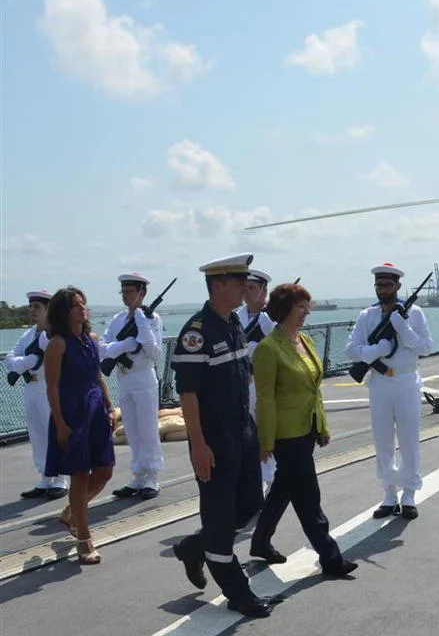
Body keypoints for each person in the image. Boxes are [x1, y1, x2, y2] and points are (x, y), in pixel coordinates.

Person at [170, 253, 274, 618]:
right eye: (239, 282)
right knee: (219, 516)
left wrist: (256, 434)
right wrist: (198, 444)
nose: (246, 288)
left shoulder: (233, 324)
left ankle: (194, 547)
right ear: (218, 286)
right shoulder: (197, 331)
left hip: (242, 431)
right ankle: (238, 593)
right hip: (213, 439)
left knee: (250, 503)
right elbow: (188, 394)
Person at [249, 283, 358, 577]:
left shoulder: (305, 341)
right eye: (301, 307)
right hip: (286, 434)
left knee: (284, 486)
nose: (306, 312)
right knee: (308, 496)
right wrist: (266, 441)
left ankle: (260, 542)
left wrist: (321, 425)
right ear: (285, 310)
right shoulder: (267, 349)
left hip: (306, 428)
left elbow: (313, 389)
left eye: (307, 307)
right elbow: (265, 399)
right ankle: (330, 557)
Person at [345, 263, 433, 520]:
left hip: (406, 382)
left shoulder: (414, 313)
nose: (383, 289)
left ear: (397, 286)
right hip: (380, 383)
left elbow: (425, 347)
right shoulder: (367, 315)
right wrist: (374, 352)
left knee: (409, 440)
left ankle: (409, 494)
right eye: (379, 285)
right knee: (383, 441)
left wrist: (403, 328)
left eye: (387, 285)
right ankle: (389, 494)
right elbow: (351, 350)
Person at [43, 287, 116, 565]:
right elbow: (51, 387)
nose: (81, 308)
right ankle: (84, 539)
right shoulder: (58, 344)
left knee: (105, 471)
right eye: (74, 305)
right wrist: (61, 424)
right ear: (63, 312)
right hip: (72, 413)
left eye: (83, 303)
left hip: (96, 411)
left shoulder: (91, 339)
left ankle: (72, 512)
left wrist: (109, 407)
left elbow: (97, 376)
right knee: (80, 475)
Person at [101, 273, 165, 500]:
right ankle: (138, 475)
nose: (125, 297)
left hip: (143, 377)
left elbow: (154, 352)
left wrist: (141, 322)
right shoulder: (118, 319)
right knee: (132, 429)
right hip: (124, 378)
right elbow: (103, 348)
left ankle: (152, 477)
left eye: (129, 292)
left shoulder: (152, 319)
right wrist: (123, 346)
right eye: (123, 292)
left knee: (148, 429)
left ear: (142, 293)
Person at [3, 290, 69, 500]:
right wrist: (24, 362)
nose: (32, 311)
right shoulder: (29, 334)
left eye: (37, 307)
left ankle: (61, 478)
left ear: (49, 309)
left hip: (49, 387)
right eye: (31, 307)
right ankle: (45, 476)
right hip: (31, 388)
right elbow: (11, 357)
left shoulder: (55, 334)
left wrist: (26, 361)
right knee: (37, 435)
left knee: (54, 433)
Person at [235, 269, 277, 491]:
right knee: (247, 436)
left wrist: (257, 348)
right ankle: (254, 482)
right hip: (242, 384)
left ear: (264, 291)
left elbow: (281, 350)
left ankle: (271, 479)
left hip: (264, 384)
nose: (247, 293)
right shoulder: (235, 317)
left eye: (252, 288)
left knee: (266, 433)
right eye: (245, 288)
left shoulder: (272, 319)